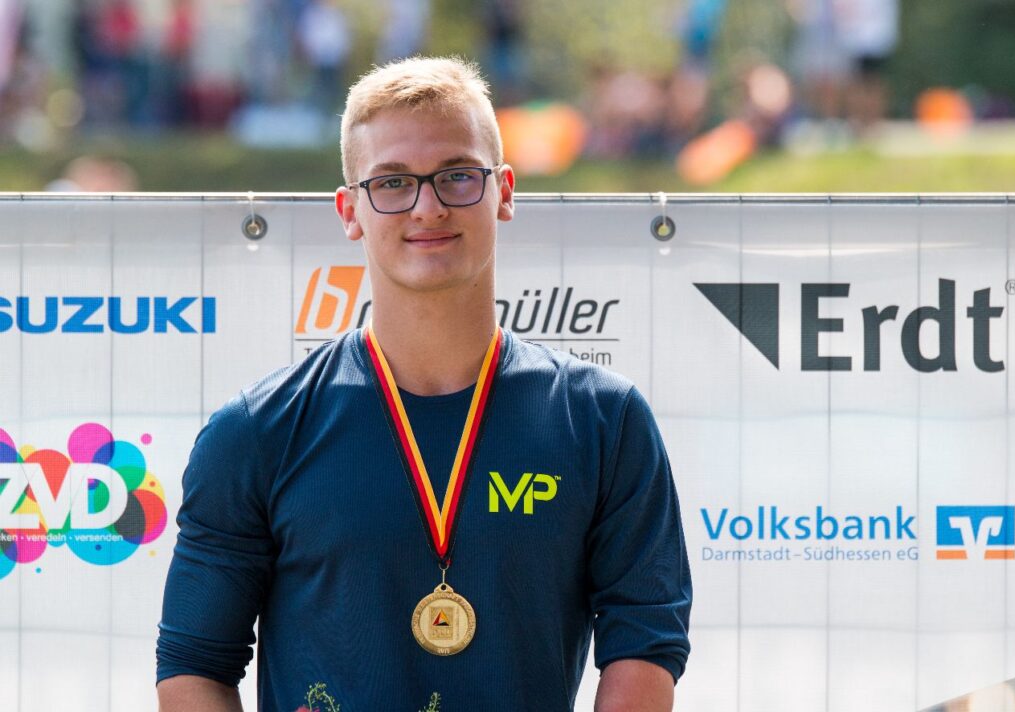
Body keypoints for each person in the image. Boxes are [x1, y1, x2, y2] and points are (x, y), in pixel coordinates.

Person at [156, 56, 691, 711]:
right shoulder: (256, 431)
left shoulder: (604, 420)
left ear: (505, 192)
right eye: (392, 183)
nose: (428, 206)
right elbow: (193, 666)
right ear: (350, 210)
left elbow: (645, 646)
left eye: (458, 175)